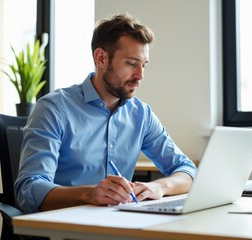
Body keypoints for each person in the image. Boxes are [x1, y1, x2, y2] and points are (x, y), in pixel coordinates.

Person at [14, 13, 197, 214]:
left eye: (143, 65)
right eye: (131, 63)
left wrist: (159, 187)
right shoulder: (54, 109)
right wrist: (87, 194)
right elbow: (29, 190)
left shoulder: (141, 114)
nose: (140, 76)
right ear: (101, 58)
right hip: (65, 228)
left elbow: (187, 170)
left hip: (118, 224)